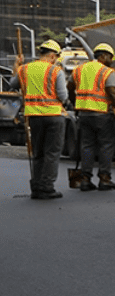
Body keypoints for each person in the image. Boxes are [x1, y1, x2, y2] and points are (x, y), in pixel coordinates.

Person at [10, 40, 68, 200]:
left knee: (38, 152)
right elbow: (63, 96)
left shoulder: (24, 69)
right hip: (53, 116)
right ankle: (47, 187)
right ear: (51, 55)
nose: (56, 59)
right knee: (52, 152)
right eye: (56, 56)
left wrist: (17, 65)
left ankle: (36, 186)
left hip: (34, 117)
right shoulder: (56, 71)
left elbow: (12, 84)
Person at [68, 43, 115, 191]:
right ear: (102, 56)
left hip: (84, 114)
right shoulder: (107, 71)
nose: (111, 60)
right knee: (106, 146)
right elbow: (113, 93)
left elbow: (69, 88)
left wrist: (76, 104)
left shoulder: (78, 70)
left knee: (87, 146)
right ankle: (105, 179)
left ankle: (85, 180)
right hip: (102, 114)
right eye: (110, 57)